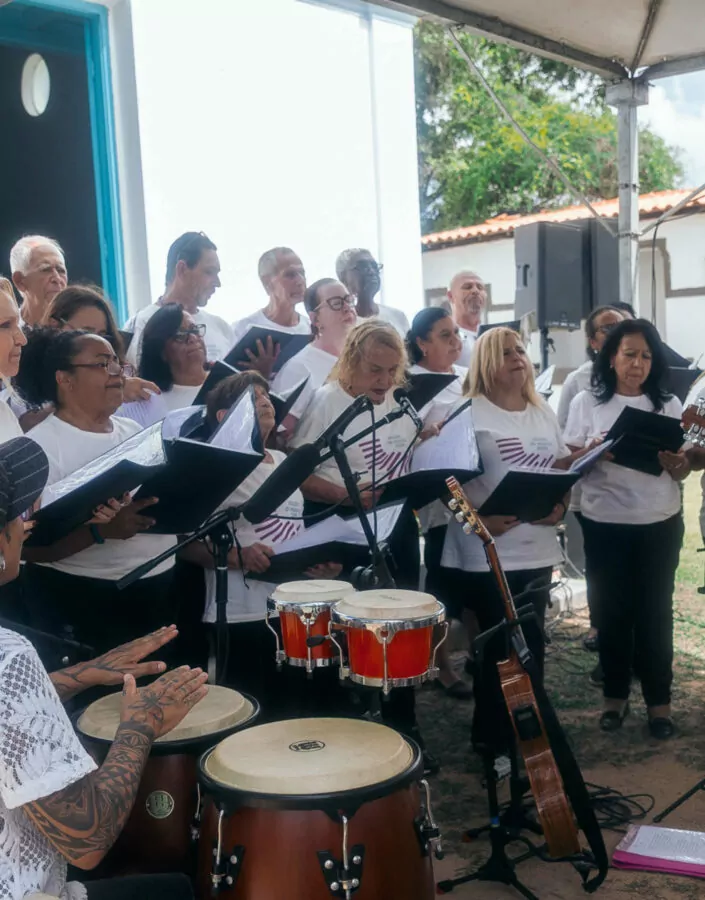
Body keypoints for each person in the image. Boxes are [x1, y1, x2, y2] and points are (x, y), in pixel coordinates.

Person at [0, 433, 208, 900]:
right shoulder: (7, 653)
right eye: (16, 514)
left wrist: (78, 675)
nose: (26, 523)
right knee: (180, 889)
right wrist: (138, 727)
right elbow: (85, 839)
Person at [290, 322, 437, 771]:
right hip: (343, 529)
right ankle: (351, 731)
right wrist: (343, 495)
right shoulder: (327, 401)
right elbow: (296, 474)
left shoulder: (399, 401)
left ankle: (404, 728)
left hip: (395, 528)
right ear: (351, 360)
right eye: (375, 369)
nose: (383, 381)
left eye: (393, 371)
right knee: (351, 635)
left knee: (403, 626)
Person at [179, 371, 341, 717]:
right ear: (224, 417)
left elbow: (294, 526)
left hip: (296, 606)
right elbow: (186, 544)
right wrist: (238, 556)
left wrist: (318, 561)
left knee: (297, 705)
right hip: (243, 612)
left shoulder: (283, 462)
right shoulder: (216, 466)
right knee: (253, 709)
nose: (265, 401)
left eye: (266, 396)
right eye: (253, 399)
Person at [441, 327, 571, 756]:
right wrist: (477, 520)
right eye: (505, 352)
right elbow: (445, 482)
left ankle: (529, 732)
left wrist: (561, 503)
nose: (517, 358)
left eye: (520, 350)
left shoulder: (541, 409)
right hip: (487, 551)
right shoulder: (467, 412)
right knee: (499, 648)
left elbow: (557, 465)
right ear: (485, 363)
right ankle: (493, 736)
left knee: (531, 644)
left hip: (537, 547)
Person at [14, 328, 178, 660]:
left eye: (118, 363)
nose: (117, 373)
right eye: (103, 364)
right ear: (66, 379)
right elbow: (30, 550)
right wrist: (102, 532)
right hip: (91, 600)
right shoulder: (40, 448)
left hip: (160, 585)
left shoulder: (133, 431)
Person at [564, 319, 687, 740]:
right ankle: (614, 698)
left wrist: (678, 464)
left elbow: (682, 461)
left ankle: (660, 704)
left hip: (659, 523)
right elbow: (569, 460)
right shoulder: (587, 402)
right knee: (611, 614)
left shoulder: (668, 404)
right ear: (611, 357)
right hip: (606, 525)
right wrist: (593, 452)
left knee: (656, 616)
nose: (638, 364)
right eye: (630, 354)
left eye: (647, 356)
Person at [405, 307, 472, 698]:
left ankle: (484, 654)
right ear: (422, 343)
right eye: (444, 335)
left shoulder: (467, 377)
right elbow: (406, 440)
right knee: (443, 588)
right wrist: (428, 435)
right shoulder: (415, 384)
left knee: (476, 584)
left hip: (477, 493)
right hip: (439, 503)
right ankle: (442, 666)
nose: (454, 341)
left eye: (456, 334)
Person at [556, 305, 625, 658]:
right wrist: (591, 449)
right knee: (599, 570)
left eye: (623, 326)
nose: (616, 333)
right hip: (592, 494)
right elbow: (564, 439)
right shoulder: (578, 382)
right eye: (608, 328)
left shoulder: (645, 378)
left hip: (640, 500)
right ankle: (601, 630)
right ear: (592, 341)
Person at [125, 231, 233, 367]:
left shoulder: (222, 328)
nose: (217, 283)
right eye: (209, 272)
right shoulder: (141, 325)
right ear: (182, 269)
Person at [271, 277, 357, 441]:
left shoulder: (360, 356)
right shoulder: (300, 367)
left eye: (349, 300)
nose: (347, 308)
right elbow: (281, 434)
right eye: (336, 303)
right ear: (315, 319)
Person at [44, 285, 161, 404]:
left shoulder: (121, 377)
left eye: (102, 335)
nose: (97, 343)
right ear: (54, 326)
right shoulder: (29, 374)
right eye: (86, 333)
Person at [230, 247, 310, 378]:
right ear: (267, 283)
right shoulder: (242, 330)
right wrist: (259, 375)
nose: (300, 281)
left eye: (302, 273)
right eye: (290, 274)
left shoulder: (311, 329)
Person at [131, 304, 208, 418]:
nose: (192, 338)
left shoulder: (225, 382)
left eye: (195, 330)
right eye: (180, 335)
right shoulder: (150, 400)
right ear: (161, 351)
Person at [336, 248, 409, 338]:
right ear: (344, 278)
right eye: (362, 267)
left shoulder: (397, 317)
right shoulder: (339, 324)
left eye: (374, 266)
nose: (372, 271)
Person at [10, 235, 68, 327]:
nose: (57, 279)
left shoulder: (79, 329)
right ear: (20, 281)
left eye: (61, 270)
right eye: (46, 269)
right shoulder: (5, 333)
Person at [446, 270, 487, 366]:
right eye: (467, 287)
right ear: (450, 296)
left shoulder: (492, 334)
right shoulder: (445, 338)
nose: (475, 291)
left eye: (480, 287)